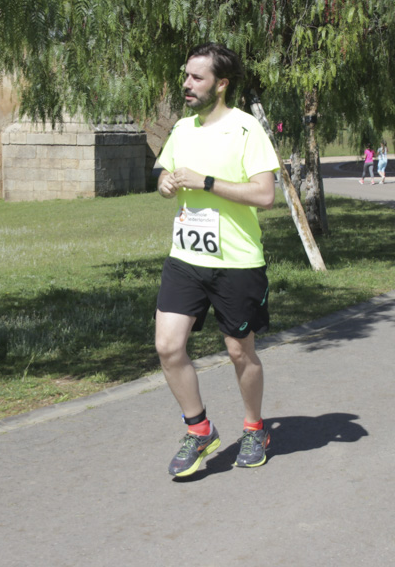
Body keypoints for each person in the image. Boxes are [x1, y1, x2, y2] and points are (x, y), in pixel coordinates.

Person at [155, 42, 279, 477]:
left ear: (221, 84)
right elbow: (164, 173)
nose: (187, 85)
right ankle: (200, 429)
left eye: (197, 78)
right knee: (168, 347)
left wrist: (207, 182)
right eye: (186, 76)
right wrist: (166, 183)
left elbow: (265, 195)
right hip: (185, 257)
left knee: (239, 352)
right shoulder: (183, 128)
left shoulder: (247, 130)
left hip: (237, 262)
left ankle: (255, 427)